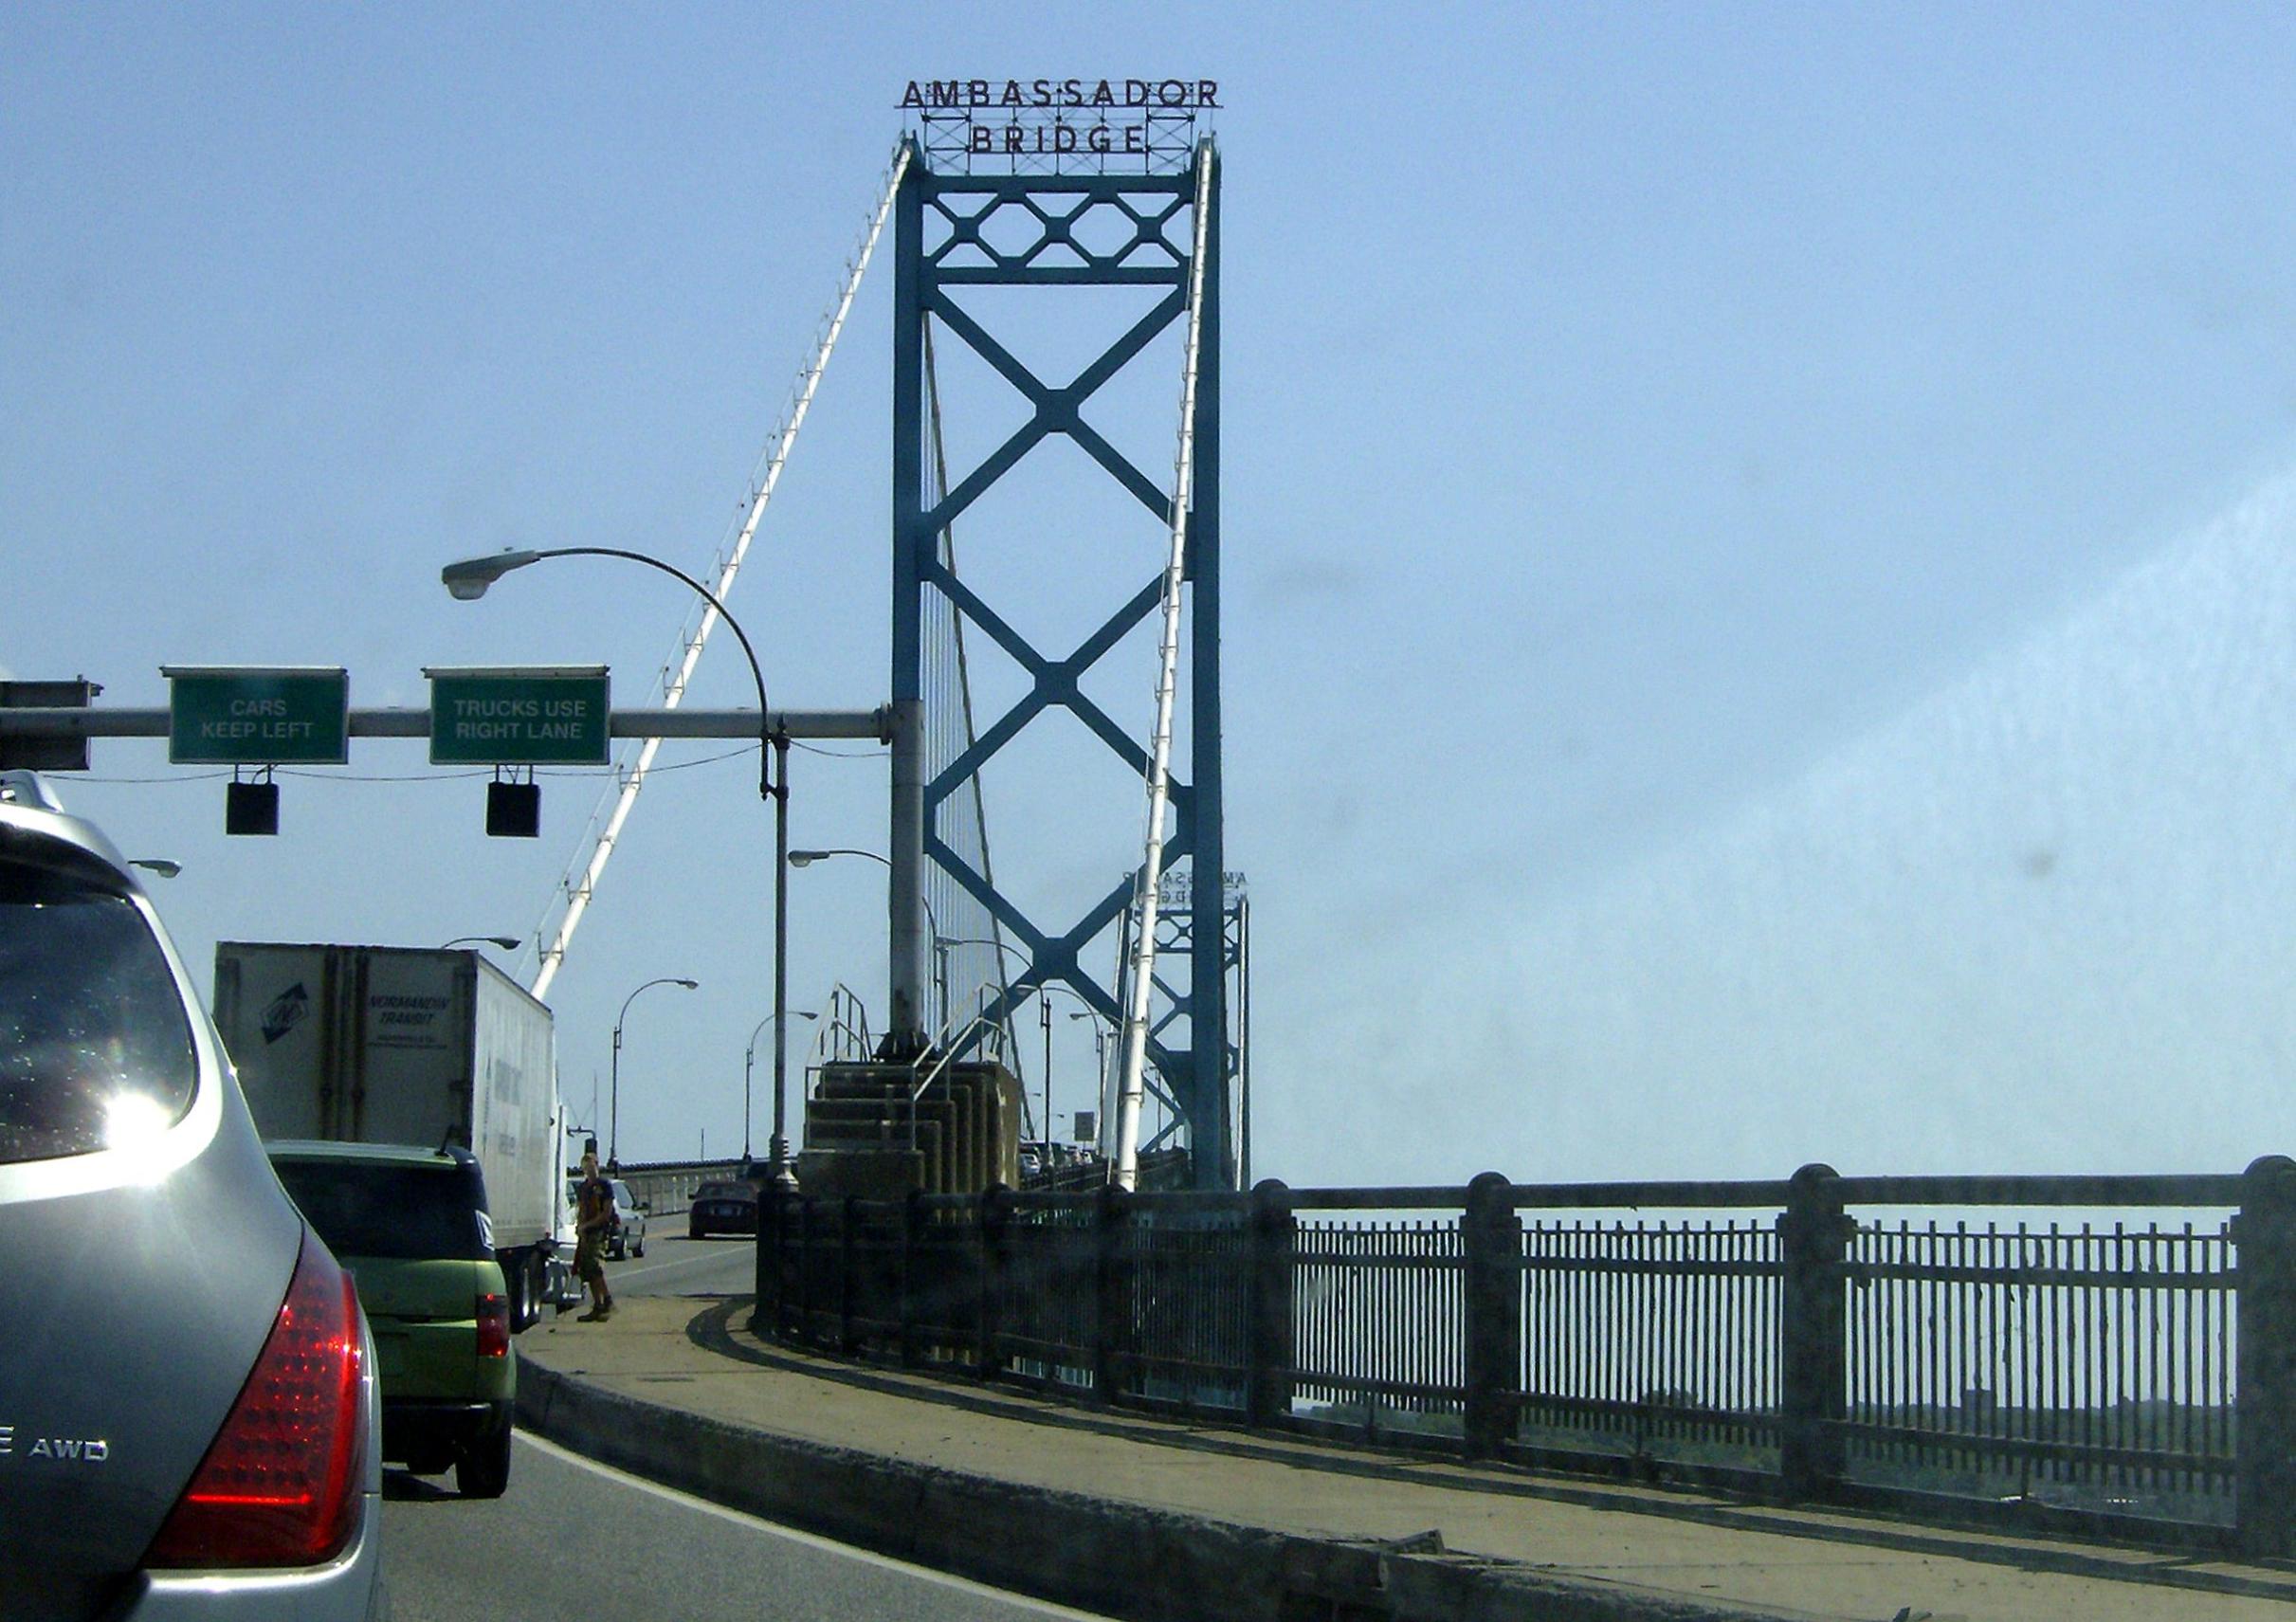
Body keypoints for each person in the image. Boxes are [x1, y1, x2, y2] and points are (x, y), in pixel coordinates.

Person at [573, 1149, 616, 1321]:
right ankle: (597, 1305)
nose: (588, 1170)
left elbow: (606, 1213)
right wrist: (580, 1226)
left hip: (598, 1231)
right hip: (586, 1232)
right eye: (585, 1167)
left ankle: (607, 1300)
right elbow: (581, 1209)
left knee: (596, 1267)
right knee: (587, 1270)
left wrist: (588, 1225)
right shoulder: (584, 1188)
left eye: (591, 1166)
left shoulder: (604, 1186)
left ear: (597, 1166)